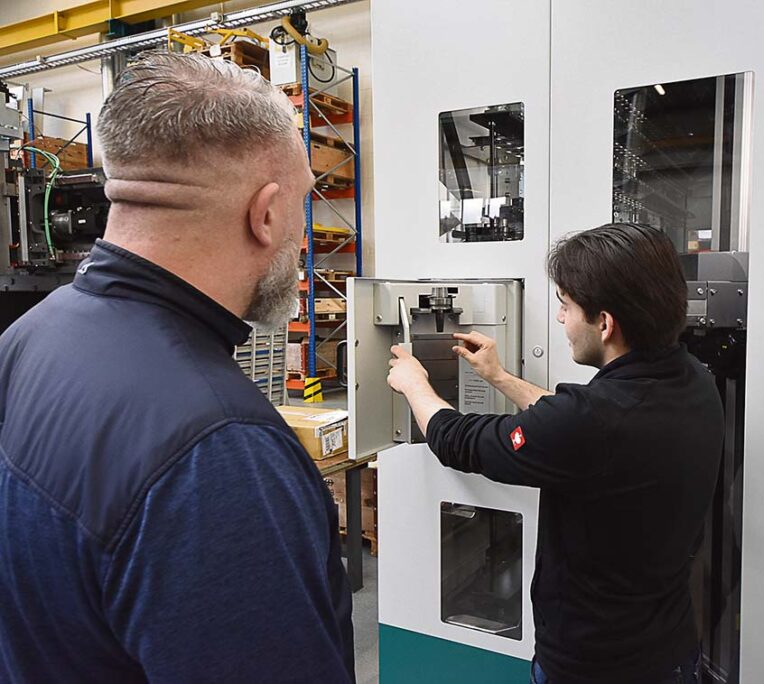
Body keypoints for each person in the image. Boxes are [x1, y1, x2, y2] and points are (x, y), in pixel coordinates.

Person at [0, 53, 354, 683]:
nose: (302, 239)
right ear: (266, 214)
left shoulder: (32, 334)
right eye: (302, 207)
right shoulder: (220, 452)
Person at [388, 223, 724, 684]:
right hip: (671, 649)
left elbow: (458, 441)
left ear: (604, 322)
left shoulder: (593, 421)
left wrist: (414, 384)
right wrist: (499, 377)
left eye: (566, 306)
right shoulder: (692, 380)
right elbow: (575, 424)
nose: (561, 319)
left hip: (594, 668)